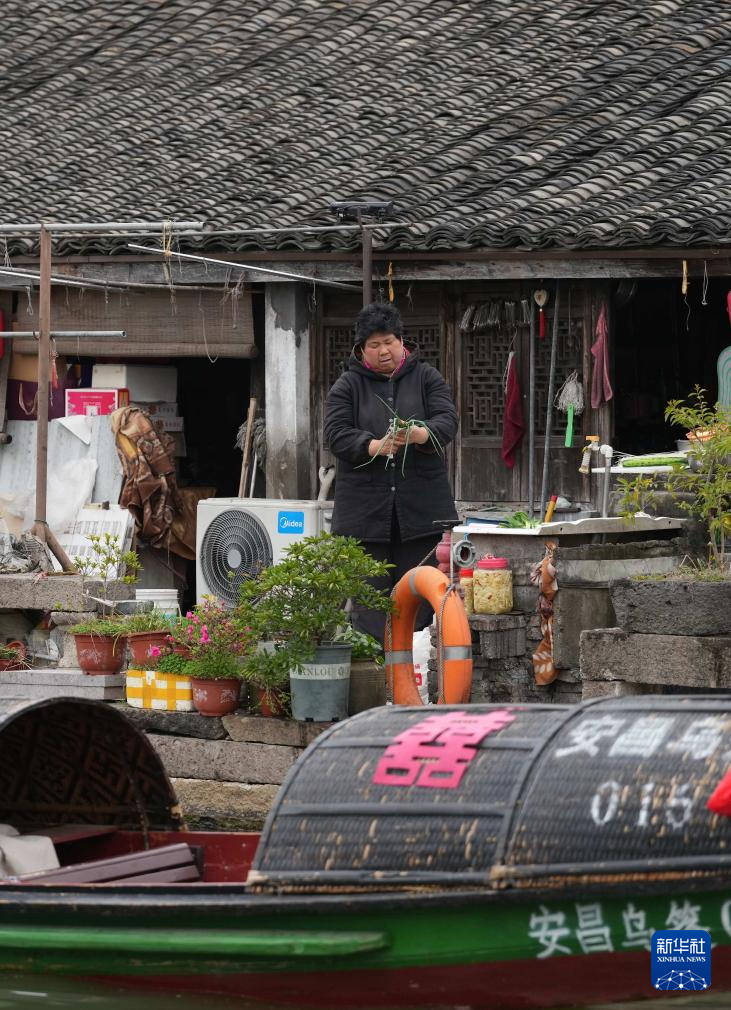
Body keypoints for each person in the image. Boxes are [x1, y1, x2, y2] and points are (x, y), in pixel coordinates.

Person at [323, 302, 459, 645]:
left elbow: (447, 420)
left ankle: (418, 669)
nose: (384, 351)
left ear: (401, 341)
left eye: (389, 342)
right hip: (365, 518)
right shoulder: (347, 385)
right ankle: (378, 669)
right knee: (371, 607)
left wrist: (420, 434)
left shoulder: (426, 377)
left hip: (421, 516)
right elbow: (335, 434)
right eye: (374, 345)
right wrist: (373, 446)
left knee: (422, 601)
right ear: (361, 349)